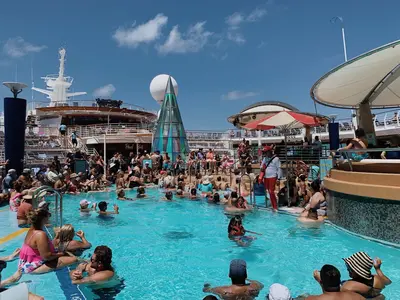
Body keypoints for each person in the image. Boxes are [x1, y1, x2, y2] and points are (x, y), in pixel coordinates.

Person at [0, 209, 77, 286]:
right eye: (48, 216)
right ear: (43, 219)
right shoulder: (41, 234)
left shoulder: (31, 230)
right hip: (31, 268)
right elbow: (47, 257)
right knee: (74, 259)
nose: (49, 218)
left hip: (24, 262)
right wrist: (61, 253)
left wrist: (56, 237)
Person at [260, 146, 281, 211]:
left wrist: (278, 178)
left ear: (269, 152)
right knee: (267, 191)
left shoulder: (276, 159)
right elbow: (261, 166)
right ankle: (272, 205)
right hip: (266, 177)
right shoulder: (264, 158)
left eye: (266, 152)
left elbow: (279, 169)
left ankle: (275, 207)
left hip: (273, 176)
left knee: (271, 191)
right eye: (264, 153)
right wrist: (262, 168)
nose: (265, 154)